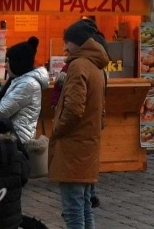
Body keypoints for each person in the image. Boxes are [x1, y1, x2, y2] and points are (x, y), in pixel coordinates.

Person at [51, 19, 108, 229]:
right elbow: (101, 111)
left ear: (78, 43)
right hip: (87, 145)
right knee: (84, 206)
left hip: (73, 148)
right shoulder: (97, 66)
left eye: (68, 42)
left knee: (73, 209)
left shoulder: (78, 65)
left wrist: (57, 129)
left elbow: (74, 109)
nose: (65, 47)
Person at [0, 37, 48, 144]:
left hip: (18, 141)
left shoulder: (27, 84)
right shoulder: (19, 81)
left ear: (18, 63)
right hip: (13, 138)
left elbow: (0, 112)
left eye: (8, 61)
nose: (5, 65)